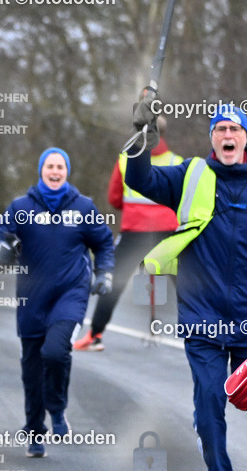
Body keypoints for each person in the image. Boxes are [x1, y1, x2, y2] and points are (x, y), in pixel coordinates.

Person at [126, 98, 247, 471]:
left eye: (235, 129)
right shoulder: (190, 175)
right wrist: (141, 137)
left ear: (246, 137)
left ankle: (218, 417)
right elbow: (140, 179)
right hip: (201, 314)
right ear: (212, 139)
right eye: (220, 130)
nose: (228, 136)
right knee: (209, 399)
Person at [0, 148, 115, 457]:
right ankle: (34, 429)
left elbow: (104, 242)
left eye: (60, 167)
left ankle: (56, 409)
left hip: (71, 293)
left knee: (55, 351)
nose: (55, 171)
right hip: (32, 296)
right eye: (49, 166)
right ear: (41, 170)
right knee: (31, 368)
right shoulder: (21, 207)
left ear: (66, 172)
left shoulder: (83, 207)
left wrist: (104, 273)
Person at [74, 116, 183, 351]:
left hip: (135, 232)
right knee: (188, 285)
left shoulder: (126, 160)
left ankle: (95, 335)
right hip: (169, 233)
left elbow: (114, 198)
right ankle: (214, 334)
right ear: (163, 134)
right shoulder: (178, 162)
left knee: (113, 283)